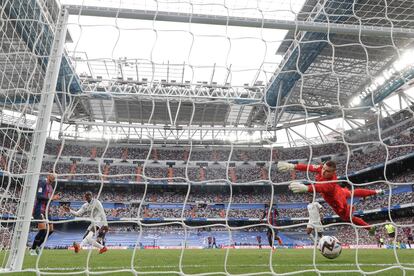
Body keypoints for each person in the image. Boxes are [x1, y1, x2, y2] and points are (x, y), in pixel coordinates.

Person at [278, 161, 383, 234]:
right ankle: (377, 191)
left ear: (333, 172)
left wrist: (306, 188)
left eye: (327, 171)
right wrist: (292, 166)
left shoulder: (331, 183)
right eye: (324, 168)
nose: (323, 171)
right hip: (340, 190)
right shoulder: (321, 168)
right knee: (352, 192)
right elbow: (308, 167)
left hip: (337, 200)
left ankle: (370, 228)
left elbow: (320, 187)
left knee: (349, 218)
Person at [30, 173, 60, 255]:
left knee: (50, 230)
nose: (54, 177)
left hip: (47, 210)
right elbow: (39, 196)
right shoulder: (43, 183)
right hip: (39, 209)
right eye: (52, 175)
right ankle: (32, 249)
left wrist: (53, 199)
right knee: (43, 230)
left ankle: (37, 246)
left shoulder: (51, 187)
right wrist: (52, 198)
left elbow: (49, 200)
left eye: (55, 176)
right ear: (48, 176)